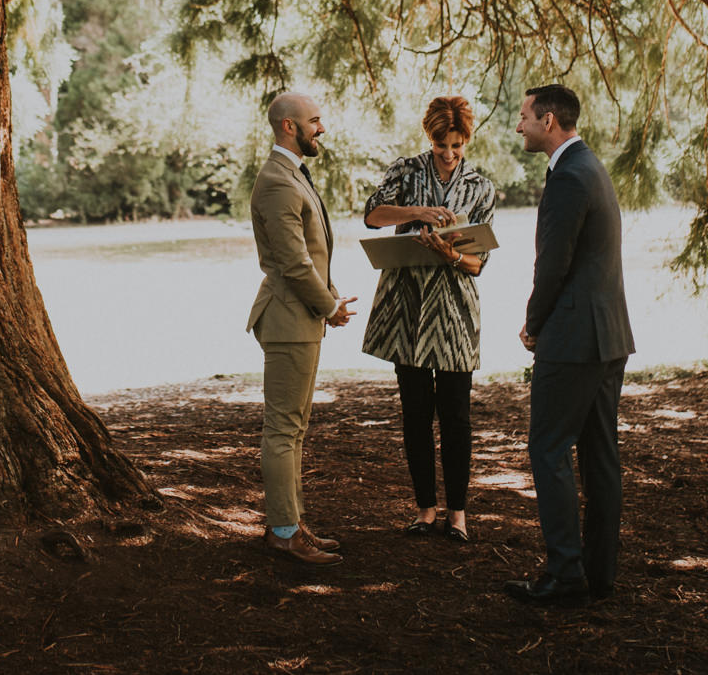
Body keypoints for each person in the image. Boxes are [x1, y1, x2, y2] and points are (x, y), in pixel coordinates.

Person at [504, 83, 635, 609]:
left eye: (525, 116)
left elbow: (552, 266)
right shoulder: (592, 167)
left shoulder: (566, 179)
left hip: (574, 339)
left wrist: (534, 324)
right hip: (609, 336)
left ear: (550, 121)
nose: (519, 126)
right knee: (600, 457)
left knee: (550, 450)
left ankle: (565, 575)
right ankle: (600, 575)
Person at [360, 95, 497, 543]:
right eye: (443, 145)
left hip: (454, 313)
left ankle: (457, 515)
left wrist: (450, 253)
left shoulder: (482, 187)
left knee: (456, 416)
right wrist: (418, 212)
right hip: (407, 309)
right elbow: (373, 215)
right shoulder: (406, 170)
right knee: (415, 414)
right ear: (430, 137)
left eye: (458, 145)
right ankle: (425, 510)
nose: (451, 153)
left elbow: (478, 264)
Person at [246, 91, 357, 565]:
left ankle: (292, 523)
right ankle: (284, 532)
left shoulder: (291, 175)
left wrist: (327, 300)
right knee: (283, 429)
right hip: (290, 318)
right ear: (289, 126)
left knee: (294, 430)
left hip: (301, 319)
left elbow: (310, 253)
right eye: (315, 121)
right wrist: (329, 305)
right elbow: (293, 264)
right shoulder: (276, 181)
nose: (322, 128)